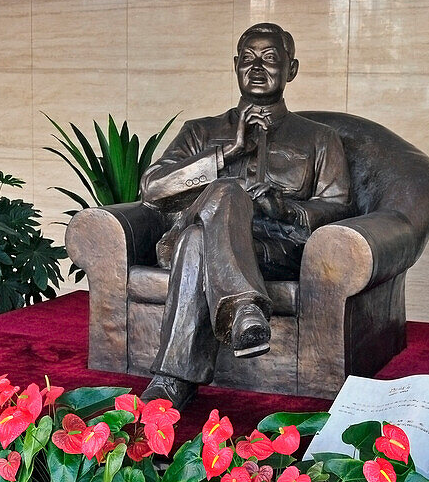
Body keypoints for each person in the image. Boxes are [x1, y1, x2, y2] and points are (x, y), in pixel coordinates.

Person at [138, 23, 352, 409]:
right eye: (248, 59)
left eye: (270, 58)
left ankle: (171, 381)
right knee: (225, 194)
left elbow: (337, 206)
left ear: (292, 69)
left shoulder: (319, 138)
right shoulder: (199, 132)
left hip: (273, 246)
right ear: (235, 66)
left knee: (196, 241)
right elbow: (153, 190)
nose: (257, 66)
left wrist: (284, 207)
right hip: (201, 233)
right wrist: (226, 156)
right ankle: (244, 310)